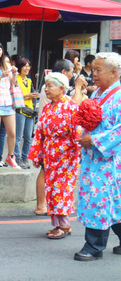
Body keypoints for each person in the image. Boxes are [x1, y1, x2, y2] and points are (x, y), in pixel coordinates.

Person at [74, 52, 121, 261]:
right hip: (95, 157)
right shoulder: (97, 94)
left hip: (111, 158)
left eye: (98, 69)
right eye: (93, 69)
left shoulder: (118, 96)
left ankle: (94, 246)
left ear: (113, 72)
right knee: (112, 201)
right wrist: (79, 130)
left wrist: (94, 140)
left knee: (100, 200)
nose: (94, 74)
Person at [29, 73, 81, 240]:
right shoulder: (48, 107)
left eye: (50, 86)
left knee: (62, 190)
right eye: (46, 86)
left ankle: (64, 224)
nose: (47, 89)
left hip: (66, 157)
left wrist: (77, 154)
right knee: (52, 190)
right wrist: (38, 154)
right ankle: (59, 224)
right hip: (51, 156)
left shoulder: (71, 107)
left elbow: (77, 134)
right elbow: (40, 133)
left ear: (61, 89)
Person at [0, 41, 19, 168]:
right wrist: (0, 76)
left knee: (12, 132)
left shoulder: (6, 64)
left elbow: (13, 83)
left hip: (8, 102)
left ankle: (11, 156)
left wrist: (15, 73)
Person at [14, 57, 39, 171]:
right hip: (20, 109)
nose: (27, 68)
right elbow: (15, 94)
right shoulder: (16, 79)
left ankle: (25, 158)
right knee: (18, 136)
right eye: (25, 66)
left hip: (29, 109)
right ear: (19, 67)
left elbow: (31, 93)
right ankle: (16, 158)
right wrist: (29, 95)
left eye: (28, 66)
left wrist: (31, 95)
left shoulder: (28, 80)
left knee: (28, 137)